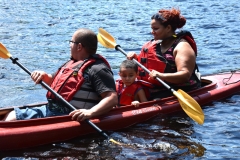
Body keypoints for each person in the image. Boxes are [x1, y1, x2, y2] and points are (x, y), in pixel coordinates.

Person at [3, 28, 118, 122]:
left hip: (68, 116)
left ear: (79, 46)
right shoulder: (70, 64)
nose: (69, 45)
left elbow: (112, 98)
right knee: (11, 116)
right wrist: (43, 76)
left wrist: (90, 112)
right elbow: (51, 82)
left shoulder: (97, 68)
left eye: (71, 42)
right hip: (51, 110)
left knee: (11, 121)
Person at [127, 8, 201, 99]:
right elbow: (152, 63)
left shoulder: (182, 46)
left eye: (156, 28)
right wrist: (136, 58)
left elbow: (185, 75)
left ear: (168, 28)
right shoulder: (157, 43)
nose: (152, 31)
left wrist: (161, 76)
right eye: (152, 28)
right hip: (155, 89)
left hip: (179, 90)